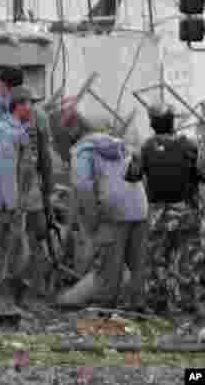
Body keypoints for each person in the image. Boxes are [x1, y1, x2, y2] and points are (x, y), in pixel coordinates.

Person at [125, 104, 204, 316]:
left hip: (158, 216)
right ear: (172, 122)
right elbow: (201, 174)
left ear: (152, 123)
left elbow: (132, 175)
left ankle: (156, 307)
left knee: (157, 261)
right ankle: (184, 307)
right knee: (186, 262)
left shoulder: (147, 147)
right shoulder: (189, 146)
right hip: (186, 214)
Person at [66, 112, 148, 309]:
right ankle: (138, 306)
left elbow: (83, 187)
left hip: (113, 212)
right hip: (139, 207)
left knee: (108, 267)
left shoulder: (82, 151)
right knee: (138, 265)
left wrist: (92, 220)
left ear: (74, 131)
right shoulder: (120, 144)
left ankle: (105, 311)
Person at [0, 85, 43, 317]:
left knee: (0, 254)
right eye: (30, 104)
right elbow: (6, 172)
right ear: (21, 106)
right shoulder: (10, 134)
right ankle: (4, 306)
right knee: (13, 254)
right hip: (6, 207)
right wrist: (13, 206)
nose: (33, 108)